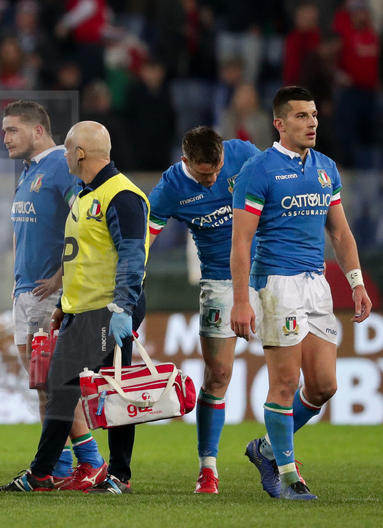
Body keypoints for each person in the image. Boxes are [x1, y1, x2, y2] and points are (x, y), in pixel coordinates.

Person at [230, 86, 373, 501]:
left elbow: (340, 231)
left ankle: (267, 448)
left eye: (313, 115)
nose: (312, 122)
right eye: (301, 117)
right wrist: (242, 299)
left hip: (316, 283)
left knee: (324, 386)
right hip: (276, 283)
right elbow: (241, 242)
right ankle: (291, 478)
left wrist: (357, 281)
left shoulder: (326, 167)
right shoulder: (259, 170)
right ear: (279, 123)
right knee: (285, 381)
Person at [0, 121, 148, 494]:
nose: (64, 158)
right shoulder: (85, 195)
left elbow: (132, 256)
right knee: (71, 387)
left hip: (109, 309)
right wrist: (64, 306)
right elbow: (82, 259)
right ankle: (53, 473)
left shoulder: (122, 195)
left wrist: (123, 309)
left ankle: (98, 475)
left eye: (67, 151)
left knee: (106, 389)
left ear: (79, 153)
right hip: (83, 309)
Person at [147, 126, 261, 494]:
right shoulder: (169, 190)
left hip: (269, 271)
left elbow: (279, 185)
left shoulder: (243, 154)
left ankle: (280, 457)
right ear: (185, 162)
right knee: (219, 373)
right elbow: (145, 238)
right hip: (219, 281)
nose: (212, 180)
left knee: (294, 374)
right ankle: (208, 468)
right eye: (203, 174)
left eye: (216, 171)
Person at [3, 100, 108, 490]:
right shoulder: (29, 172)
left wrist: (62, 278)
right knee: (41, 383)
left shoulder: (61, 169)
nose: (5, 138)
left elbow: (85, 225)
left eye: (12, 130)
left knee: (52, 382)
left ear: (37, 131)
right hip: (24, 291)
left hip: (49, 296)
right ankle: (61, 467)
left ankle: (91, 460)